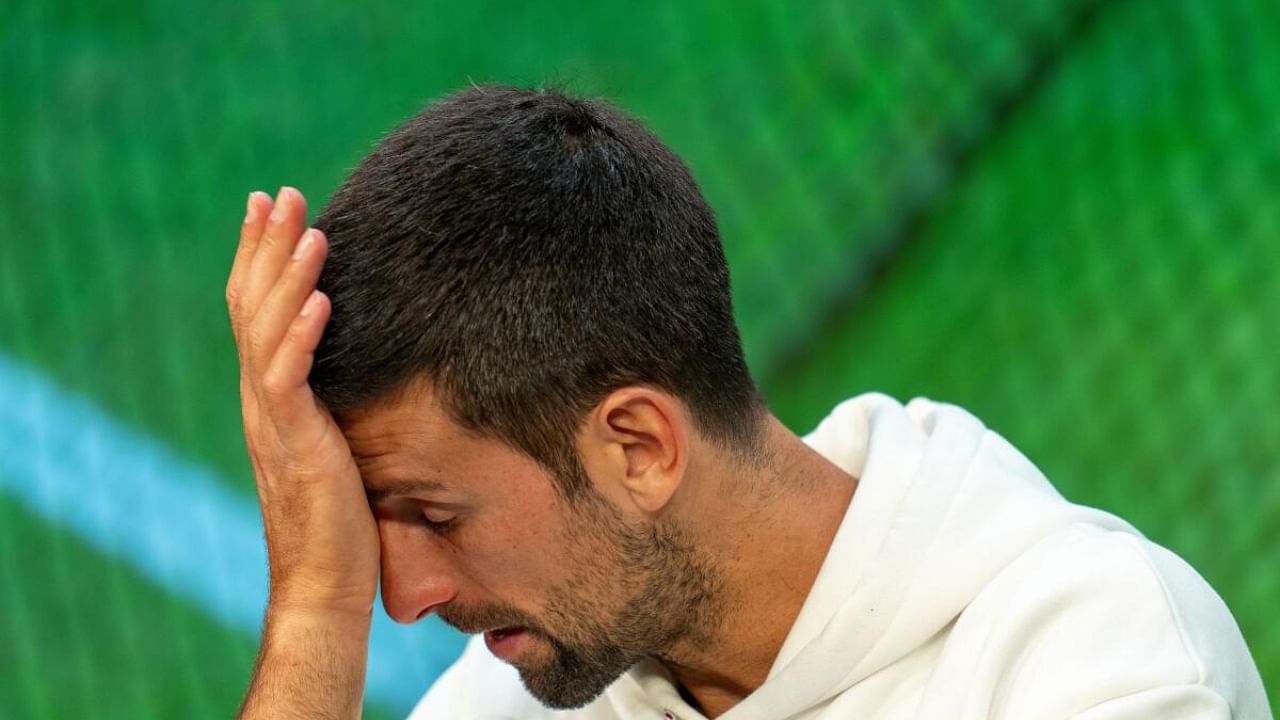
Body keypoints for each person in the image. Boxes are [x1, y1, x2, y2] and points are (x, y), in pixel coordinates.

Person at [226, 86, 1271, 719]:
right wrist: (315, 615)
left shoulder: (1096, 662)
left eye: (437, 517)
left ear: (638, 445)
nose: (400, 596)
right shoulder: (525, 695)